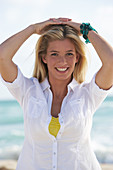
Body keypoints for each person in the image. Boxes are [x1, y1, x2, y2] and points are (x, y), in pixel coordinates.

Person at [0, 18, 113, 170]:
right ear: (44, 57)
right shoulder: (28, 90)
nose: (62, 61)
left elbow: (111, 61)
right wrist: (33, 29)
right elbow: (2, 56)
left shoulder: (88, 94)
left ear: (77, 58)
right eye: (54, 54)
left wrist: (84, 29)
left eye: (69, 54)